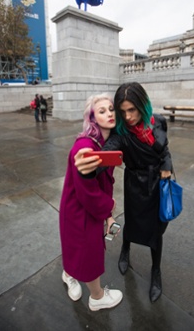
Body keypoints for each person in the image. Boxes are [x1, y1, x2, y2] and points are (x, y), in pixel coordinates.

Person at [74, 82, 173, 303]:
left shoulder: (159, 122)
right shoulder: (121, 133)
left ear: (142, 105)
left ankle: (156, 271)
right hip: (135, 184)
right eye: (123, 111)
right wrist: (89, 166)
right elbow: (107, 153)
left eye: (132, 110)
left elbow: (164, 150)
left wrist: (166, 166)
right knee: (133, 220)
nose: (128, 117)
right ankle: (125, 249)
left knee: (157, 230)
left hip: (157, 183)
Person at [59, 93, 123, 311]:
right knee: (88, 253)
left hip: (92, 207)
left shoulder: (106, 142)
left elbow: (103, 183)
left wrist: (108, 214)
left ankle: (69, 273)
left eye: (111, 109)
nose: (109, 114)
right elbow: (87, 192)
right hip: (80, 208)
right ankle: (97, 297)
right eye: (102, 111)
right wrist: (108, 207)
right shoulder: (85, 146)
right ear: (93, 118)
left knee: (78, 248)